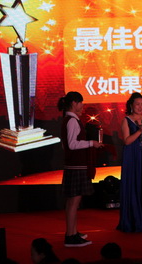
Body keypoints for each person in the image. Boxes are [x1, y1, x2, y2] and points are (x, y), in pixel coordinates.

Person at [58, 91, 103, 247]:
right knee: (73, 202)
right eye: (81, 102)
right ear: (74, 103)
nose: (82, 106)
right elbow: (72, 144)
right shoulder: (71, 121)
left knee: (73, 202)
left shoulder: (70, 119)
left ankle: (73, 232)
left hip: (74, 165)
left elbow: (66, 145)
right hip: (75, 167)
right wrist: (91, 143)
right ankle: (70, 236)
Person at [117, 92, 142, 232]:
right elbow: (127, 141)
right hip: (131, 156)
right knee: (132, 184)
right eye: (137, 104)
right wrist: (140, 131)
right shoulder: (126, 120)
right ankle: (132, 221)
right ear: (131, 105)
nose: (140, 107)